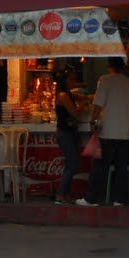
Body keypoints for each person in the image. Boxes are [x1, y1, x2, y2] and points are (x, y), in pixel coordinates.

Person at [82, 57, 129, 207]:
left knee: (100, 167)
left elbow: (98, 105)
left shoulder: (105, 80)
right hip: (125, 133)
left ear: (109, 66)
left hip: (107, 131)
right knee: (121, 168)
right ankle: (119, 199)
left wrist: (93, 121)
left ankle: (92, 199)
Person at [54, 69, 85, 203]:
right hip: (65, 133)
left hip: (69, 132)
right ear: (64, 81)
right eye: (71, 79)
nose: (74, 82)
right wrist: (82, 106)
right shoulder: (63, 96)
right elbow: (75, 114)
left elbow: (85, 97)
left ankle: (64, 193)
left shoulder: (69, 94)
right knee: (73, 164)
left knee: (70, 164)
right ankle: (60, 194)